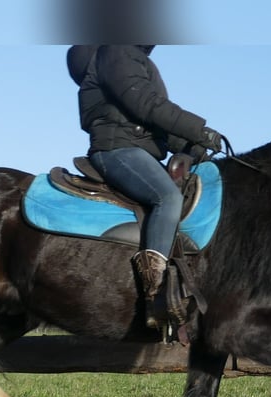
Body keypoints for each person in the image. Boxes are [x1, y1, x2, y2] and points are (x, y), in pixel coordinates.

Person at [67, 44, 223, 331]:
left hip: (137, 149)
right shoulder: (116, 52)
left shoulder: (133, 58)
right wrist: (199, 129)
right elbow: (146, 104)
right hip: (116, 149)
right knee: (167, 198)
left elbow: (157, 127)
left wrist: (195, 146)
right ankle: (155, 294)